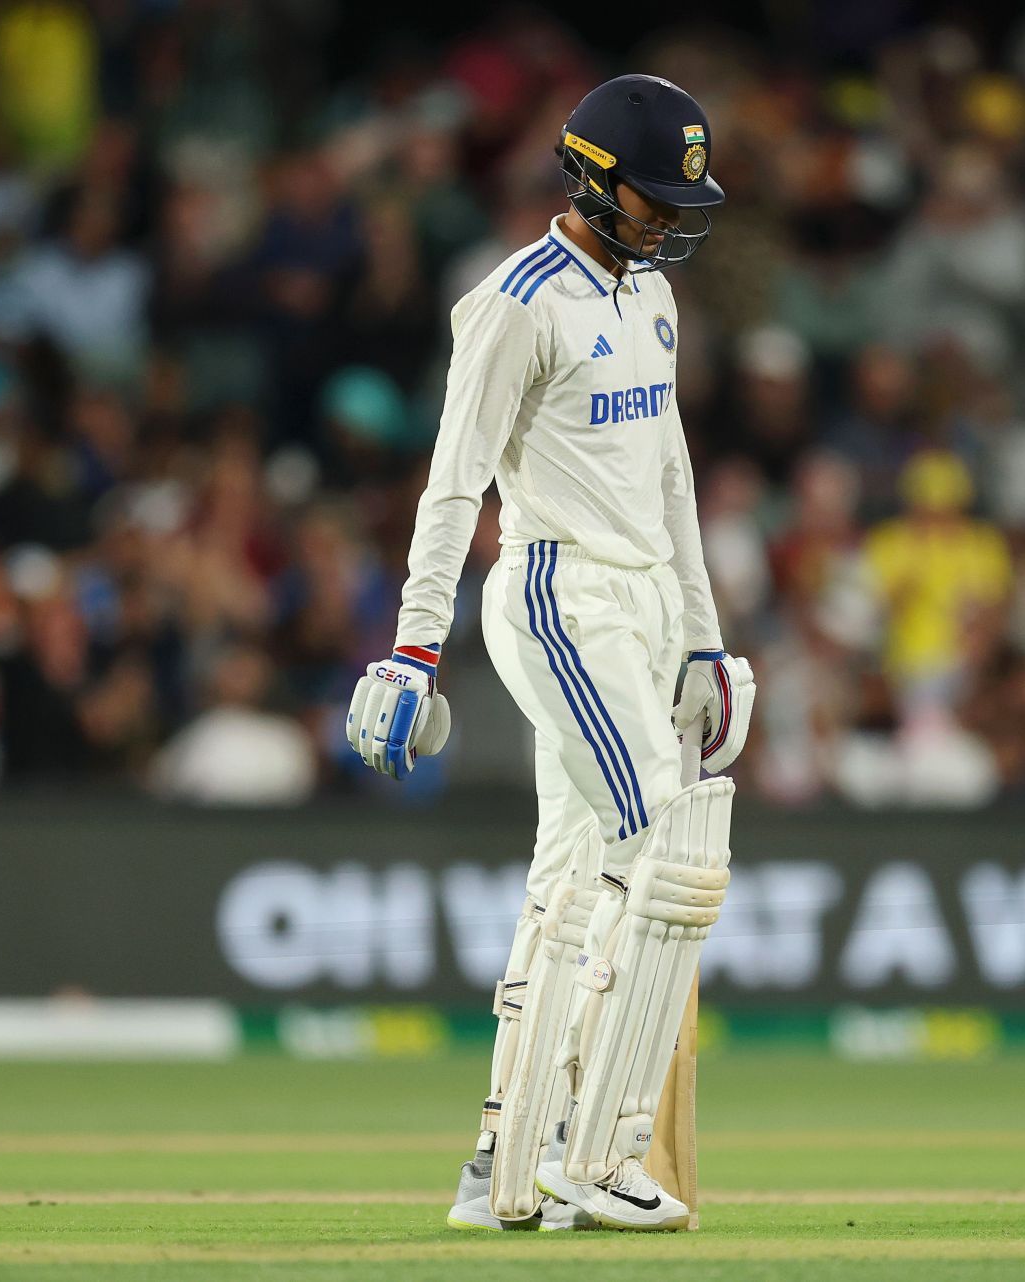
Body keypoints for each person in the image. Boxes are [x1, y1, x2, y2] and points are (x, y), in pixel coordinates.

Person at [344, 76, 756, 1233]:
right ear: (587, 174)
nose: (670, 216)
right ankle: (600, 1147)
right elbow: (453, 484)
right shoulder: (515, 302)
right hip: (555, 590)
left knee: (573, 880)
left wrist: (702, 636)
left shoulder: (654, 299)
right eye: (652, 192)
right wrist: (411, 648)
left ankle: (503, 1161)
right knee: (666, 846)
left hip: (636, 604)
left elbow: (670, 480)